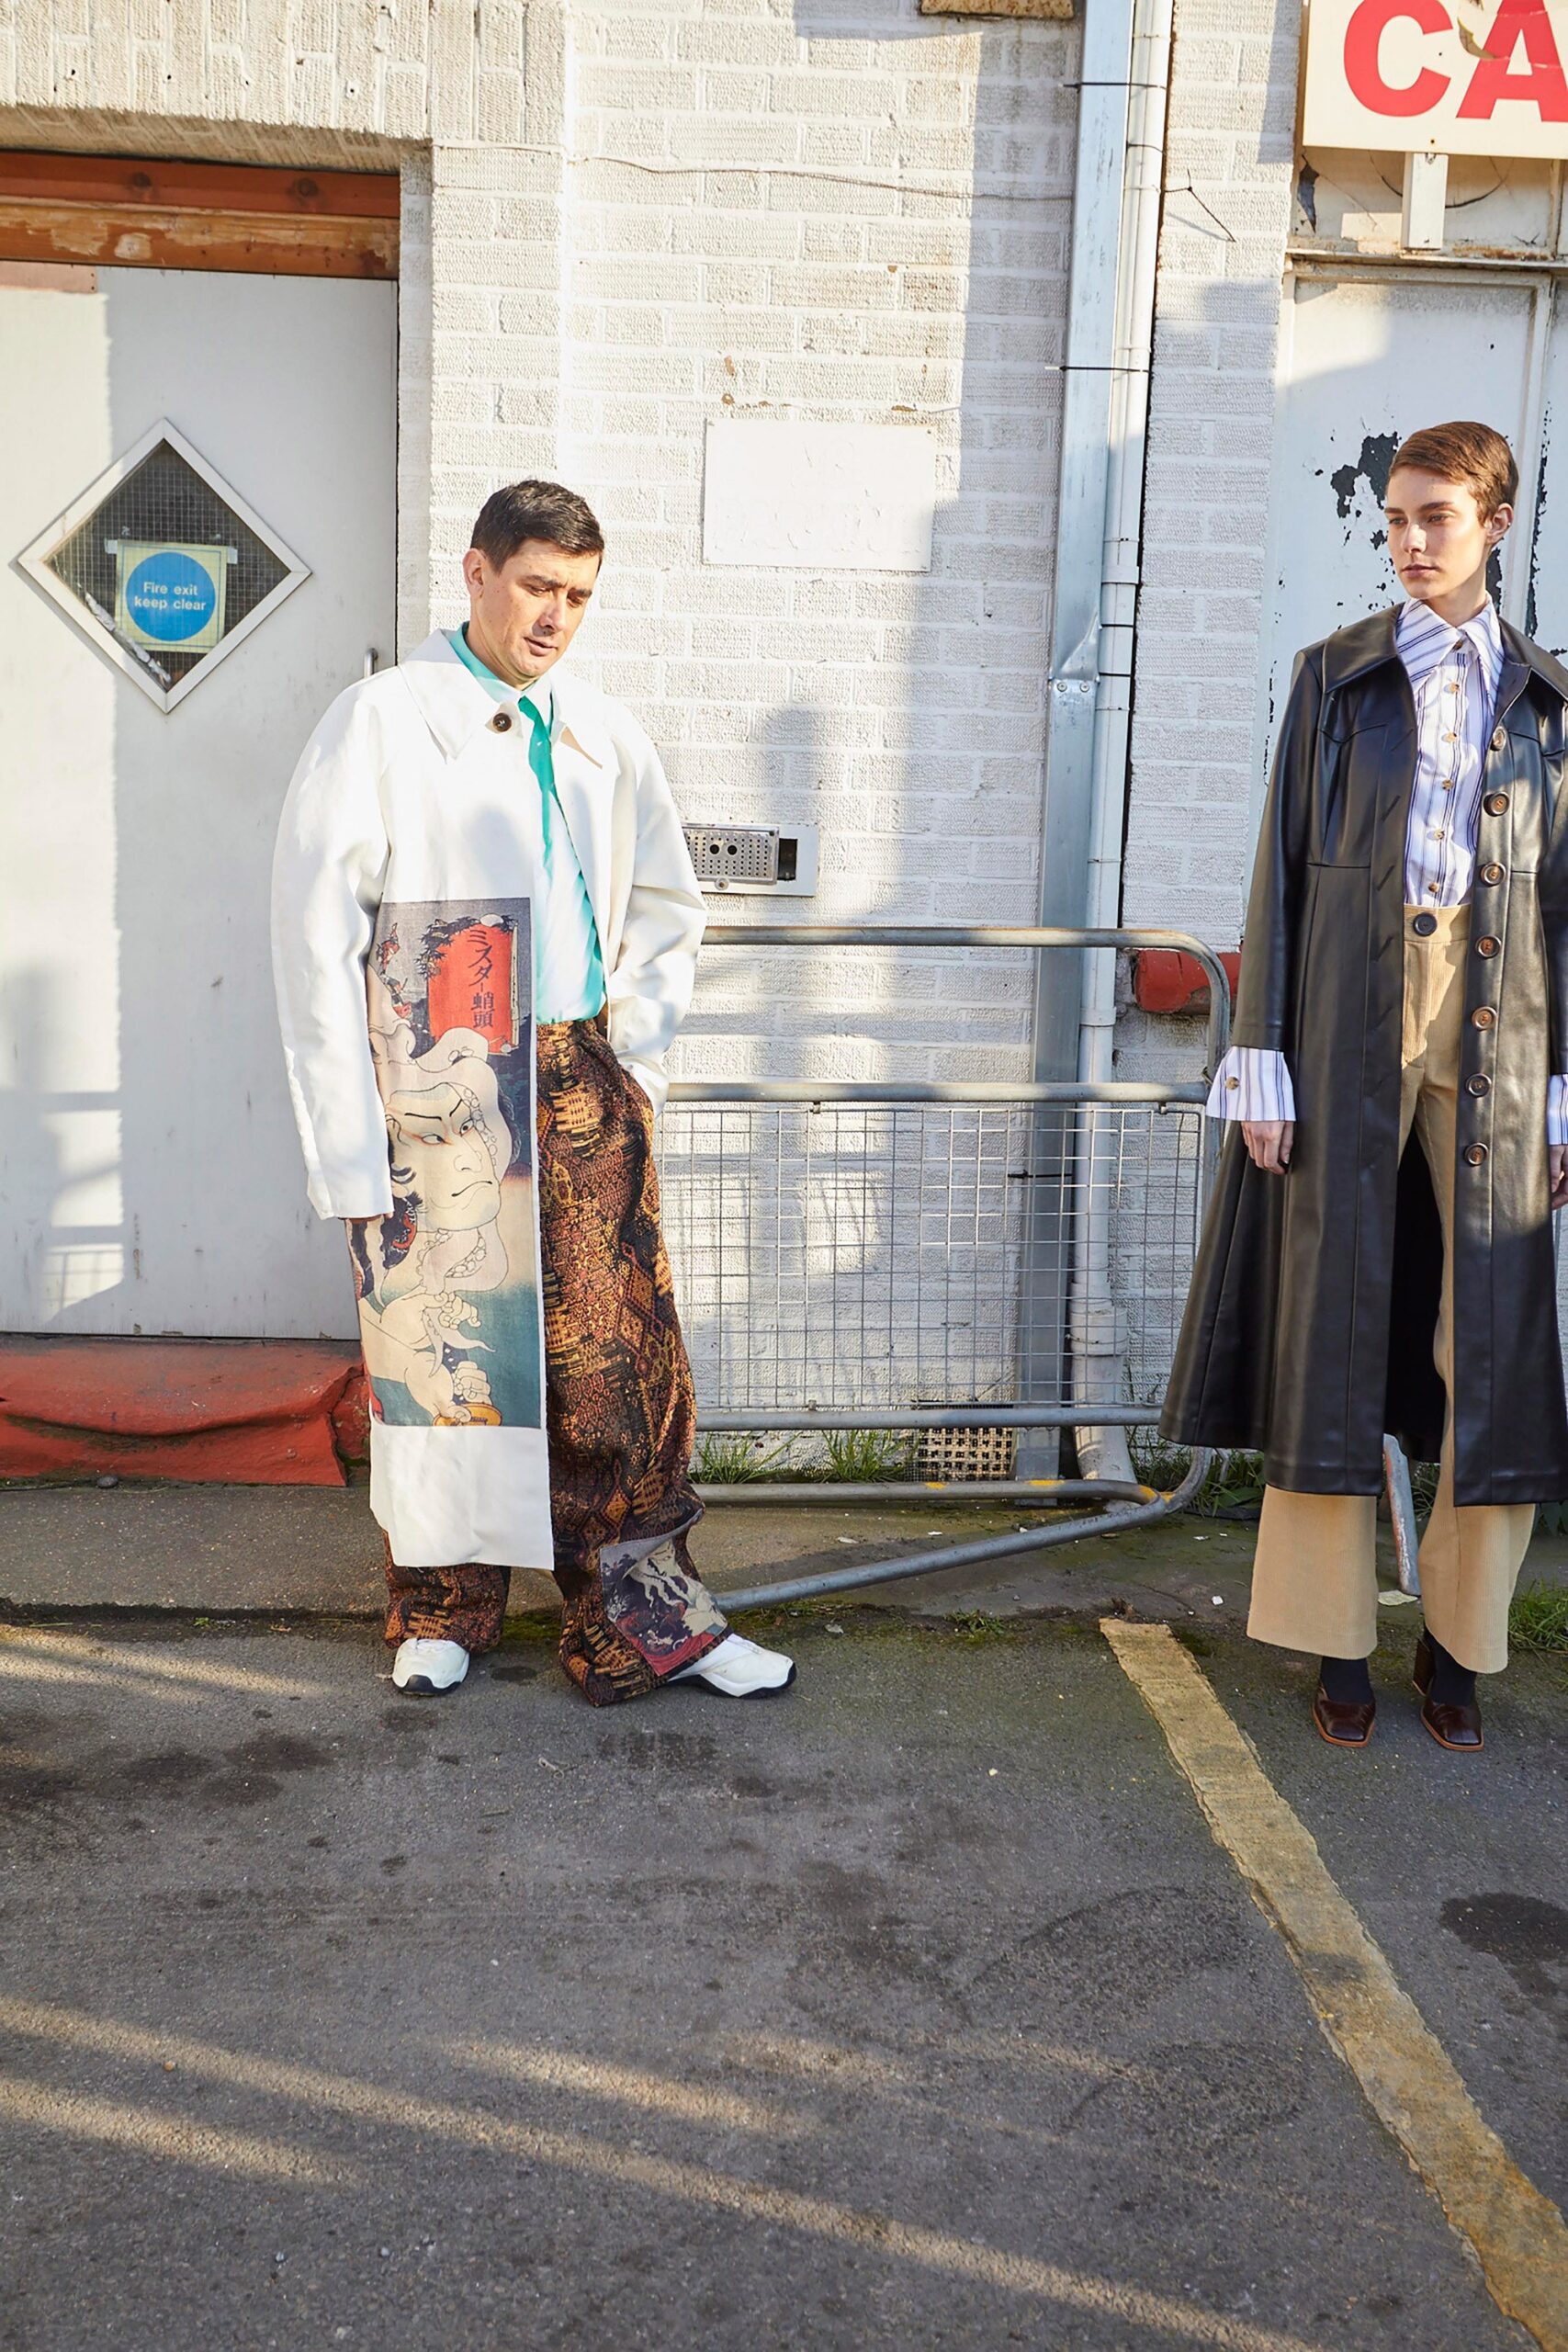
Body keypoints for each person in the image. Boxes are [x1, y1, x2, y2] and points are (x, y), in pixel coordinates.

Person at [272, 479, 795, 1705]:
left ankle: (649, 1617)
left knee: (619, 1365)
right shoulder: (384, 723)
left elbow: (670, 907)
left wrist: (637, 1057)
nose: (556, 616)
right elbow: (310, 939)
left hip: (577, 1073)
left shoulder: (606, 732)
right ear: (476, 573)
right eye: (537, 586)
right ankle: (440, 1610)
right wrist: (351, 1149)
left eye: (578, 595)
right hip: (438, 1090)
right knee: (443, 1356)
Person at [1162, 420, 1568, 1751]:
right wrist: (1259, 1046)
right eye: (1395, 517)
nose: (1407, 539)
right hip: (1348, 1003)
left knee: (1490, 1331)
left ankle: (1461, 1641)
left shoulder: (1547, 706)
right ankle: (1333, 1636)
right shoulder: (1334, 677)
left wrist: (1566, 1089)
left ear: (1496, 523)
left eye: (1435, 516)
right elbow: (1279, 862)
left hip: (1502, 1017)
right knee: (1331, 1307)